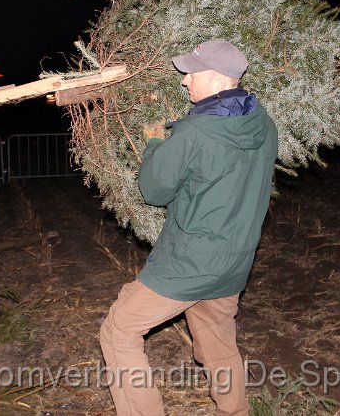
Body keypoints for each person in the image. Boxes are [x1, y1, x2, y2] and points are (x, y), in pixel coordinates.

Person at [99, 39, 279, 415]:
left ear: (215, 81)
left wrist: (153, 143)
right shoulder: (264, 124)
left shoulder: (194, 134)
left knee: (120, 330)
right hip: (235, 260)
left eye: (190, 75)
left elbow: (154, 190)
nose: (183, 82)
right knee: (218, 343)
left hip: (191, 262)